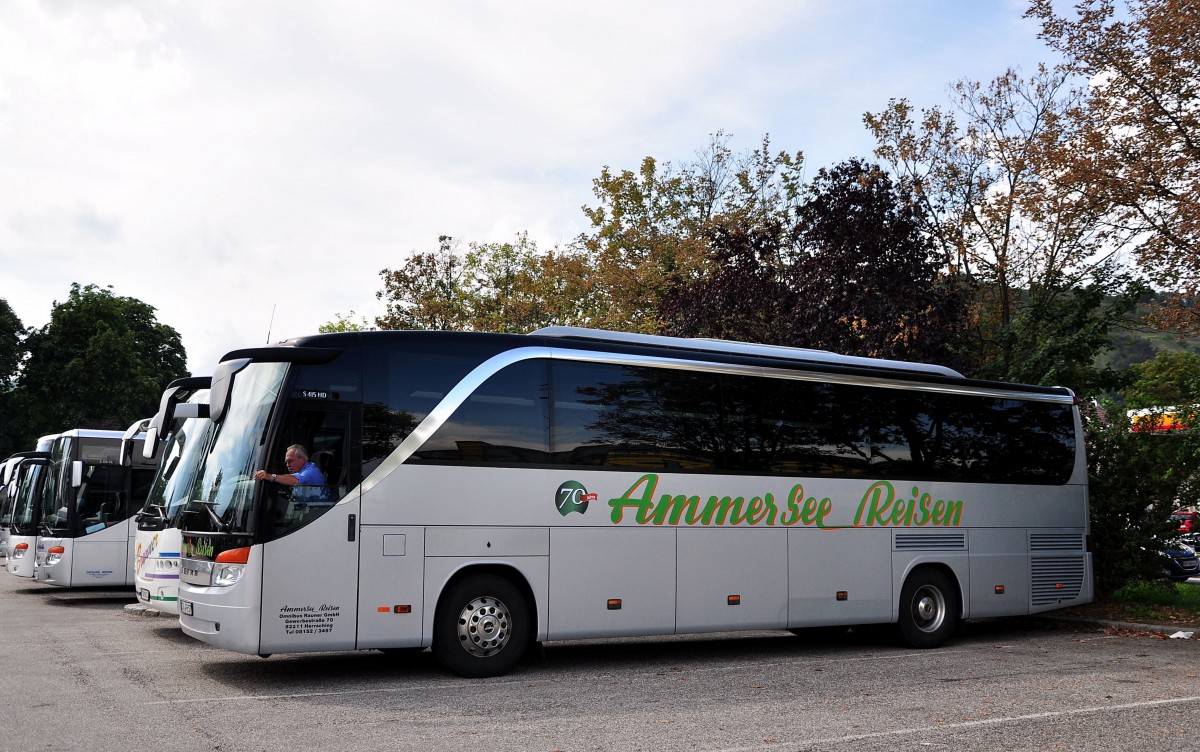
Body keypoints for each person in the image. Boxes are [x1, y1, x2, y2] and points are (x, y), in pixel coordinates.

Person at [254, 444, 331, 502]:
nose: (287, 465)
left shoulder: (311, 472)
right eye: (286, 463)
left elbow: (295, 479)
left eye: (290, 461)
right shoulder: (302, 472)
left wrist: (271, 477)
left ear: (302, 459)